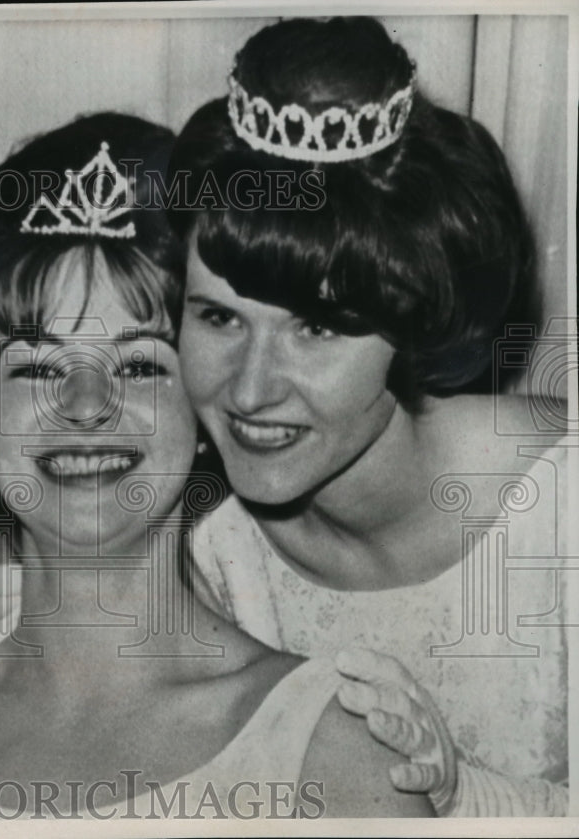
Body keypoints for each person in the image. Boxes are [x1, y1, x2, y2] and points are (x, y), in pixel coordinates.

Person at [0, 113, 433, 820]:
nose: (85, 405)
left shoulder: (329, 750)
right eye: (38, 364)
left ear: (203, 405)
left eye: (137, 364)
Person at [168, 16, 567, 816]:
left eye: (316, 328)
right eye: (218, 319)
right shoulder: (205, 550)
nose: (250, 392)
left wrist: (466, 797)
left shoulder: (562, 510)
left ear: (413, 320)